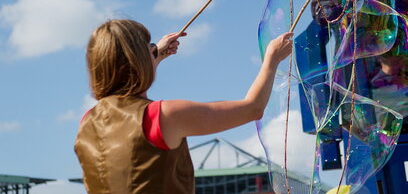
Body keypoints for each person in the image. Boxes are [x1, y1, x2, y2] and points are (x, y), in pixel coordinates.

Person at [74, 19, 293, 193]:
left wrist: (155, 54)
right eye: (149, 49)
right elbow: (252, 109)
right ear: (138, 60)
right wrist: (272, 59)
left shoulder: (88, 120)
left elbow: (126, 93)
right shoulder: (164, 115)